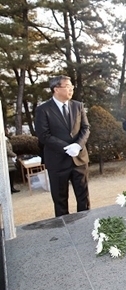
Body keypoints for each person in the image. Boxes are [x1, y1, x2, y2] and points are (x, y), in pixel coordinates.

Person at [35, 75, 90, 217]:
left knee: (83, 198)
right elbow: (44, 135)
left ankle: (85, 225)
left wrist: (77, 146)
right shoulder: (43, 110)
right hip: (57, 161)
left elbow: (86, 128)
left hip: (79, 159)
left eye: (71, 86)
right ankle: (64, 231)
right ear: (56, 89)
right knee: (60, 200)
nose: (71, 89)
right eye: (67, 86)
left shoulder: (78, 106)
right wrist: (66, 147)